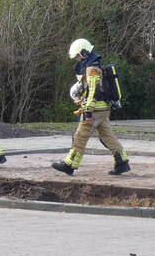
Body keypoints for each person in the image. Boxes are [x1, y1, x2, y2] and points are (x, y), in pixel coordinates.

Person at [51, 38, 131, 176]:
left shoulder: (91, 68)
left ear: (84, 53)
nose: (77, 59)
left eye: (77, 56)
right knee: (107, 136)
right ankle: (122, 162)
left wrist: (88, 111)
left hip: (94, 110)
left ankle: (69, 164)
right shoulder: (96, 64)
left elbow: (94, 90)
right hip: (103, 109)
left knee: (80, 136)